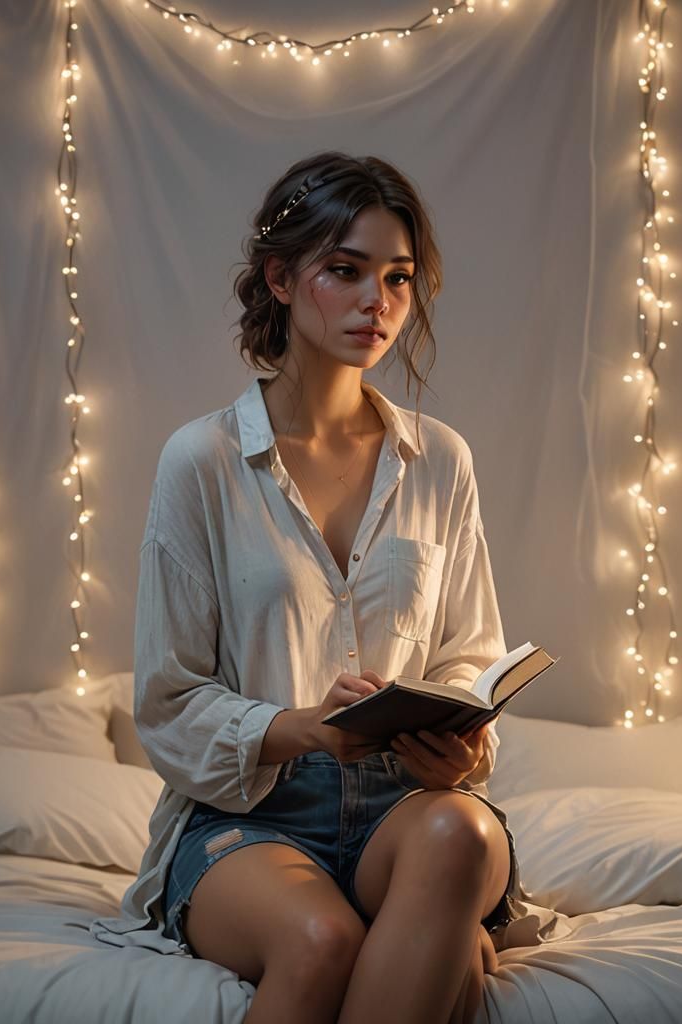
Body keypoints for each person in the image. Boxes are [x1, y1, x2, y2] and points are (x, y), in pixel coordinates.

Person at [89, 151, 531, 1024]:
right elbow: (168, 700)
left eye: (399, 277)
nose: (380, 301)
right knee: (327, 942)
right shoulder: (202, 462)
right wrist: (306, 730)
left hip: (409, 809)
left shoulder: (440, 460)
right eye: (347, 270)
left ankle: (429, 916)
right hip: (249, 817)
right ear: (281, 279)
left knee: (463, 830)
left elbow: (468, 656)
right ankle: (433, 935)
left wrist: (465, 747)